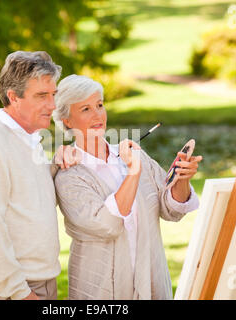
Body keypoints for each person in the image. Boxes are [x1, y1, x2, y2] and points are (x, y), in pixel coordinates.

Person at [53, 74, 203, 300]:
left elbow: (171, 209)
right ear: (67, 120)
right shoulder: (69, 175)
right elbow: (108, 224)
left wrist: (182, 178)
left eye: (100, 105)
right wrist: (133, 173)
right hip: (99, 291)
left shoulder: (133, 154)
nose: (98, 115)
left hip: (151, 282)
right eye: (85, 109)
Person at [0, 51, 78, 300]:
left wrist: (55, 164)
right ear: (14, 97)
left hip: (38, 281)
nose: (53, 105)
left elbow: (25, 195)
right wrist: (19, 292)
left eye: (53, 95)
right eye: (41, 96)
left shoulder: (27, 137)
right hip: (11, 288)